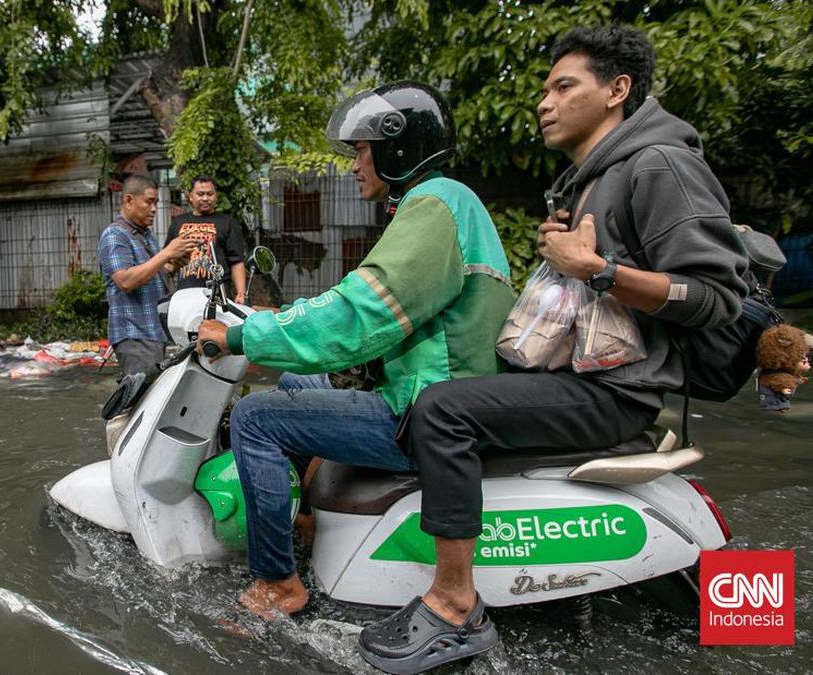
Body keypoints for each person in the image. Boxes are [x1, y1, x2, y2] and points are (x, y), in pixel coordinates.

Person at [358, 26, 750, 674]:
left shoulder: (661, 164)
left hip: (615, 392)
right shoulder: (588, 179)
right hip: (583, 376)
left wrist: (595, 269)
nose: (545, 101)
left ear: (617, 90)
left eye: (564, 86)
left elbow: (715, 296)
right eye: (544, 88)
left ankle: (455, 604)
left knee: (442, 409)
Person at [194, 83, 516, 620]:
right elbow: (363, 302)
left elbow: (356, 317)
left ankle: (278, 584)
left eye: (361, 151)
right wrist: (279, 322)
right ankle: (306, 521)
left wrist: (241, 336)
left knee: (253, 417)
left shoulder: (437, 204)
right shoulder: (438, 205)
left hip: (424, 412)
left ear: (397, 148)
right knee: (297, 383)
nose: (354, 165)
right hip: (426, 395)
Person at [99, 174, 197, 376]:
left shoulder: (145, 234)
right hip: (134, 333)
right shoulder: (115, 234)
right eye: (149, 202)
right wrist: (167, 253)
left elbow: (151, 273)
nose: (154, 209)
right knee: (140, 399)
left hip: (152, 331)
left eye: (156, 203)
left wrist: (174, 265)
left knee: (152, 397)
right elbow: (125, 281)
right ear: (128, 200)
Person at [166, 175, 248, 302]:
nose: (205, 198)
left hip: (218, 296)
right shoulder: (178, 222)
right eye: (200, 194)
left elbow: (236, 261)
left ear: (216, 196)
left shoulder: (228, 222)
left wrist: (241, 293)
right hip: (185, 297)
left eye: (210, 194)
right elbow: (167, 259)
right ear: (190, 196)